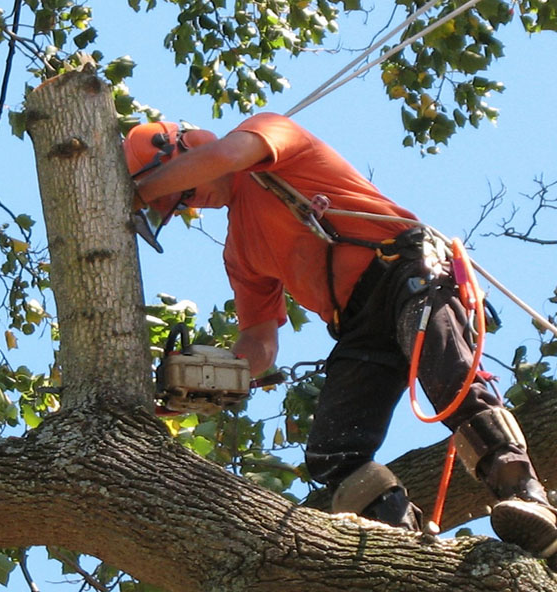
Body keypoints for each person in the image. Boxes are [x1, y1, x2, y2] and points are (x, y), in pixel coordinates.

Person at [123, 112, 557, 558]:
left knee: (449, 379)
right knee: (333, 453)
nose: (194, 203)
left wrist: (137, 193)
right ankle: (407, 550)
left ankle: (523, 494)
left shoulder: (266, 138)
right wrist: (219, 378)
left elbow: (228, 155)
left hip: (405, 274)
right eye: (182, 206)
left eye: (185, 192)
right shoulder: (240, 251)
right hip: (358, 326)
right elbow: (261, 340)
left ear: (188, 146)